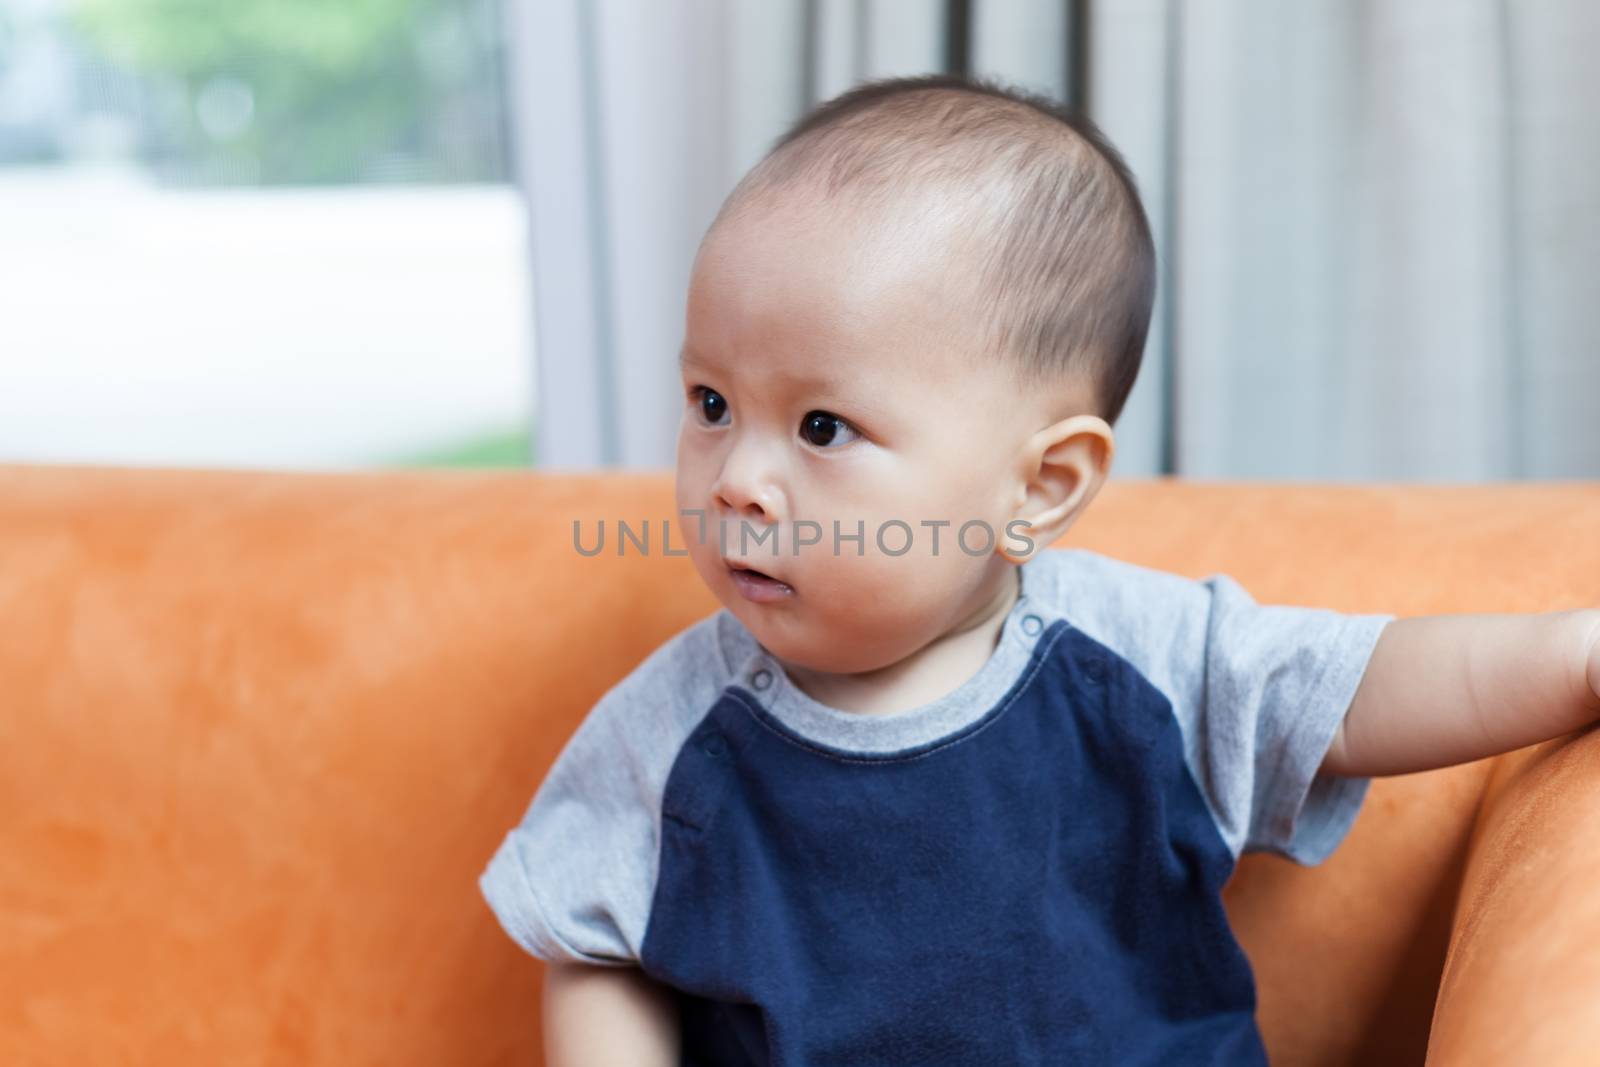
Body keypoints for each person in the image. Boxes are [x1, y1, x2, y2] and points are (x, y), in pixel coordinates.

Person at [478, 74, 1600, 1065]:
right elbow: (593, 941)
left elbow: (1357, 683)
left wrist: (1572, 654)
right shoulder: (673, 736)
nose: (737, 479)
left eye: (822, 427)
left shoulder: (1134, 655)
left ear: (1043, 484)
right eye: (711, 404)